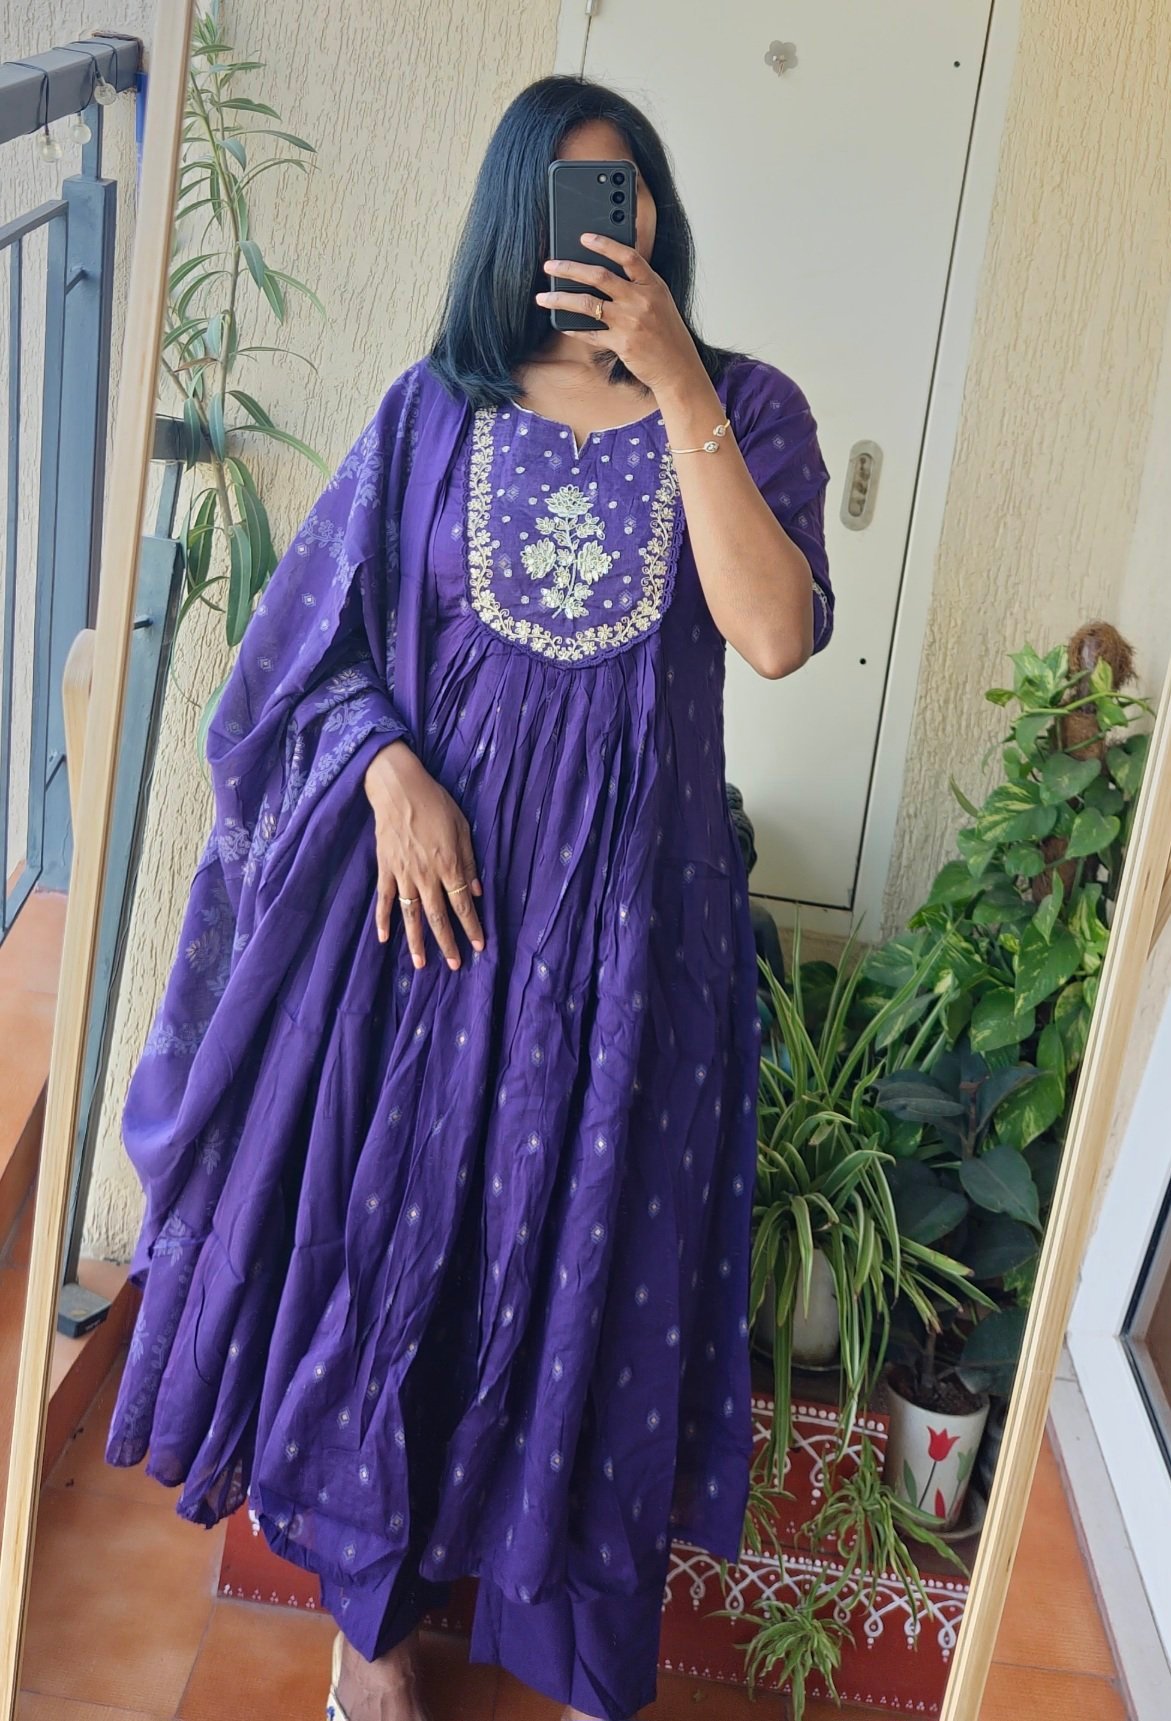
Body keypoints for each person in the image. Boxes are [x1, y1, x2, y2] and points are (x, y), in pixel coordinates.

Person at [103, 72, 834, 1721]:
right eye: (576, 200)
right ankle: (371, 1642)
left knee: (600, 1282)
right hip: (436, 947)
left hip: (638, 958)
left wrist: (677, 378)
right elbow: (307, 645)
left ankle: (580, 1663)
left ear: (658, 221)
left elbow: (776, 632)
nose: (609, 231)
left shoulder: (747, 406)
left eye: (631, 195)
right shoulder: (433, 416)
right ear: (517, 225)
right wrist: (385, 771)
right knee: (404, 1265)